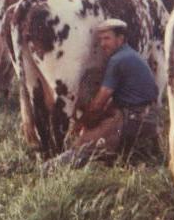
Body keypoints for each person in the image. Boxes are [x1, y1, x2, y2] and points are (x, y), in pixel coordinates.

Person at [46, 18, 160, 170]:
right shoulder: (130, 54)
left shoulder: (117, 60)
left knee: (82, 146)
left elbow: (98, 103)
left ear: (120, 39)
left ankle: (45, 170)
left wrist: (80, 125)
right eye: (100, 39)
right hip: (150, 118)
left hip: (134, 118)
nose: (102, 44)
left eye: (107, 38)